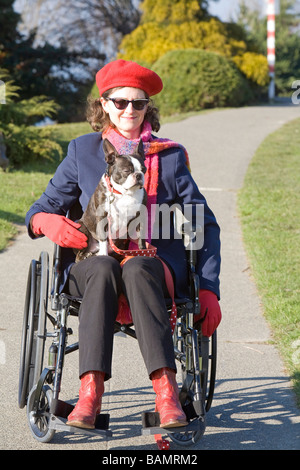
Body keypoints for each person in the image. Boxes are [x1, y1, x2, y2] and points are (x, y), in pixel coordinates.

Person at [25, 59, 221, 431]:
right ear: (104, 104)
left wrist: (209, 287)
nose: (130, 110)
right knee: (102, 267)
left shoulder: (170, 155)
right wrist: (44, 221)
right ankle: (89, 394)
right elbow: (42, 208)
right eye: (120, 102)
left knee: (137, 265)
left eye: (139, 102)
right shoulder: (82, 151)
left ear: (149, 106)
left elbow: (202, 223)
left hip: (152, 265)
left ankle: (166, 393)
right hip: (93, 262)